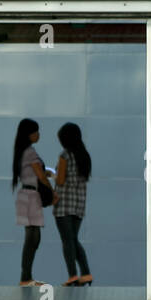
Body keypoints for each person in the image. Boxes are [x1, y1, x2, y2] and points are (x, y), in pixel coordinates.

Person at [12, 118, 56, 287]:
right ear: (29, 134)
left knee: (32, 237)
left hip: (26, 195)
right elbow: (39, 174)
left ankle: (26, 277)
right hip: (31, 196)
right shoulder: (30, 152)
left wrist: (48, 173)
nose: (38, 134)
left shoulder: (23, 151)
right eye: (36, 131)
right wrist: (52, 192)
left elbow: (38, 171)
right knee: (32, 237)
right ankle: (26, 278)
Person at [53, 122, 93, 286]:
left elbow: (61, 180)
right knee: (74, 239)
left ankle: (72, 275)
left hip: (64, 205)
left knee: (67, 241)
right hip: (79, 205)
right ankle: (86, 273)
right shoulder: (84, 155)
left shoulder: (65, 156)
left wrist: (52, 175)